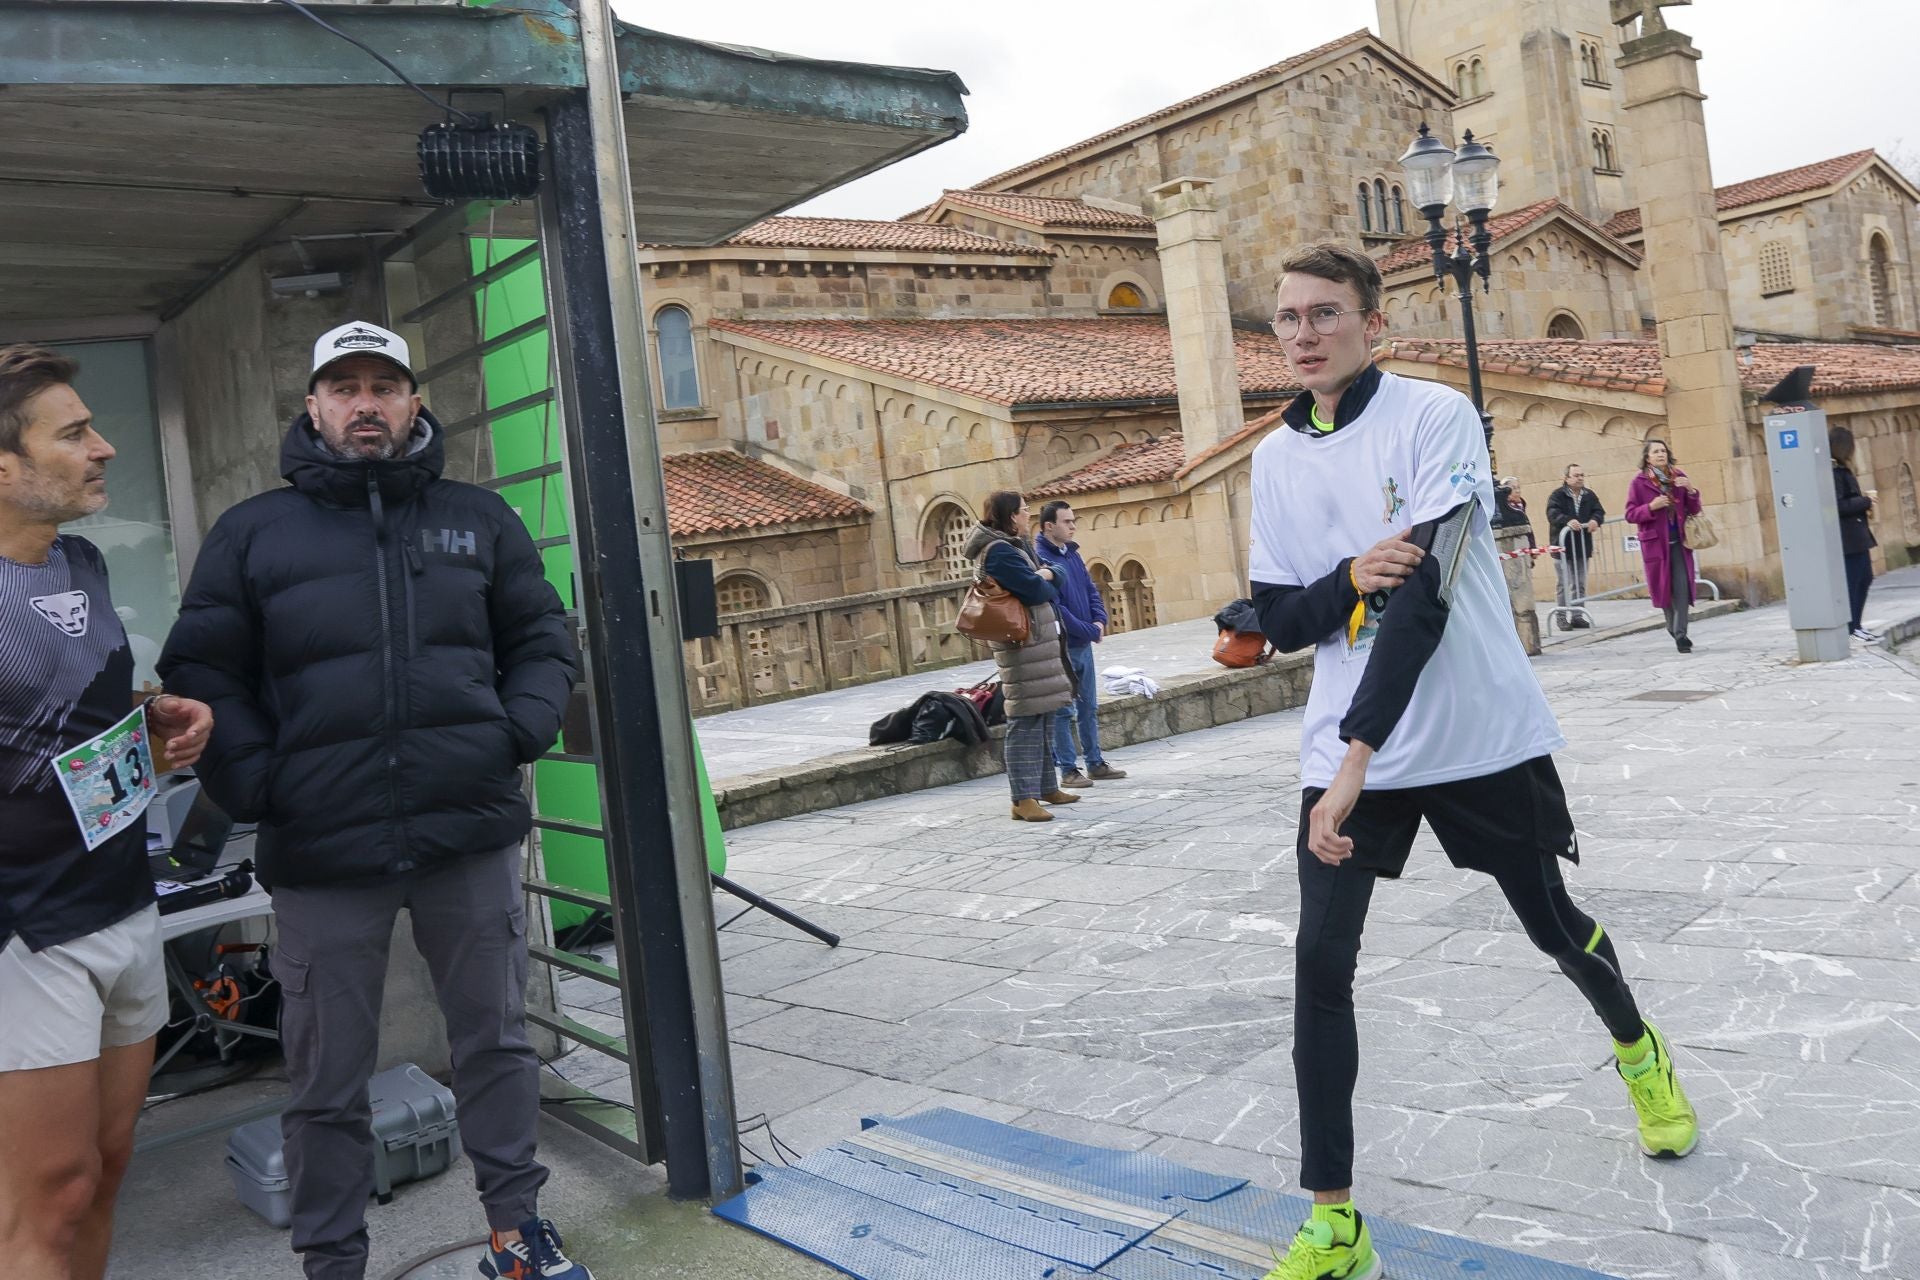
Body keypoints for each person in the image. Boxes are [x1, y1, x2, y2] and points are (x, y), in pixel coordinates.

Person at [1246, 245, 1696, 1280]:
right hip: (1348, 743)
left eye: (1325, 313)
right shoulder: (1274, 460)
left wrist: (1359, 744)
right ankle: (1335, 1218)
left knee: (1549, 920)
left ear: (1373, 323)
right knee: (1320, 961)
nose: (1305, 333)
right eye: (1287, 319)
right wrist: (1350, 575)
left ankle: (1638, 1047)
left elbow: (1431, 595)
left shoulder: (1436, 417)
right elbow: (1277, 617)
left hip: (1472, 729)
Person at [157, 322, 587, 1280]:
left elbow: (543, 640)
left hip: (464, 833)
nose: (364, 404)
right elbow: (200, 674)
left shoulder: (480, 519)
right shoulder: (253, 533)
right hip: (320, 851)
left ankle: (517, 1232)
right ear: (312, 406)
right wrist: (261, 786)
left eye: (383, 387)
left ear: (412, 402)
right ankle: (332, 1261)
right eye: (343, 387)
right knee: (323, 1080)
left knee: (496, 1045)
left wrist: (513, 733)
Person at [0, 345, 213, 1280]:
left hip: (126, 900)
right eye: (75, 433)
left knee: (106, 1170)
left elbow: (67, 732)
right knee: (50, 1199)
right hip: (26, 933)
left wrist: (154, 726)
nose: (106, 448)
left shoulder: (81, 561)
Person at [962, 491, 1078, 822]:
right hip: (1022, 645)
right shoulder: (999, 551)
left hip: (1035, 643)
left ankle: (1044, 788)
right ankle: (1021, 799)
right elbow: (1038, 588)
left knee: (1042, 716)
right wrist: (1049, 576)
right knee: (1024, 720)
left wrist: (1049, 573)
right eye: (1026, 511)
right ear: (1012, 516)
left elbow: (1049, 571)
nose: (1030, 516)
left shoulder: (1014, 545)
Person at [1033, 501, 1127, 788]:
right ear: (1049, 526)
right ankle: (1068, 770)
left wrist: (1100, 621)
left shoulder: (1072, 554)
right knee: (1064, 710)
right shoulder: (1041, 559)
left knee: (1089, 706)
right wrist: (1088, 630)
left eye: (1073, 521)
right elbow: (1056, 607)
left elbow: (1090, 590)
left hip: (1083, 643)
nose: (1073, 526)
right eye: (1066, 522)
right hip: (1061, 646)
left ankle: (1096, 763)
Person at [1623, 438, 1703, 654]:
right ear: (1647, 457)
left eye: (1663, 451)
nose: (1661, 454)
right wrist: (1651, 506)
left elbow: (1694, 509)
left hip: (1679, 543)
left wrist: (1691, 490)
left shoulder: (1679, 477)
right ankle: (1672, 627)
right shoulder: (1638, 483)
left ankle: (1681, 634)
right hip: (1655, 545)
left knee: (1682, 588)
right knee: (1664, 589)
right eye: (1656, 451)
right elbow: (1630, 514)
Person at [1830, 427, 1879, 643]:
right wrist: (1866, 501)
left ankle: (1857, 624)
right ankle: (1851, 627)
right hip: (1848, 537)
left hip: (1857, 535)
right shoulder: (1835, 474)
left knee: (1865, 578)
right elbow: (1838, 505)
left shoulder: (1842, 469)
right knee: (1854, 580)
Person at [1545, 463, 1605, 629]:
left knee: (1579, 582)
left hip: (1582, 546)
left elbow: (1599, 511)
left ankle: (1578, 615)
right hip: (1562, 547)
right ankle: (1561, 616)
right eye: (1576, 475)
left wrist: (1595, 520)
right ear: (1566, 478)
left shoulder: (1589, 495)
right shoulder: (1557, 495)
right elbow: (1552, 513)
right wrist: (1567, 520)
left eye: (1581, 475)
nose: (1580, 478)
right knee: (1564, 583)